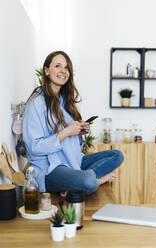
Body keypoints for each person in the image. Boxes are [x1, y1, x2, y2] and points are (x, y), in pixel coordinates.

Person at [23, 51, 124, 195]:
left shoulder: (64, 101)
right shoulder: (36, 103)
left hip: (72, 161)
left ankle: (75, 183)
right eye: (57, 66)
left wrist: (78, 133)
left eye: (66, 67)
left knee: (117, 155)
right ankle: (94, 181)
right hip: (50, 169)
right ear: (46, 71)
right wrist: (65, 132)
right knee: (88, 180)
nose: (63, 71)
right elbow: (34, 147)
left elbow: (73, 143)